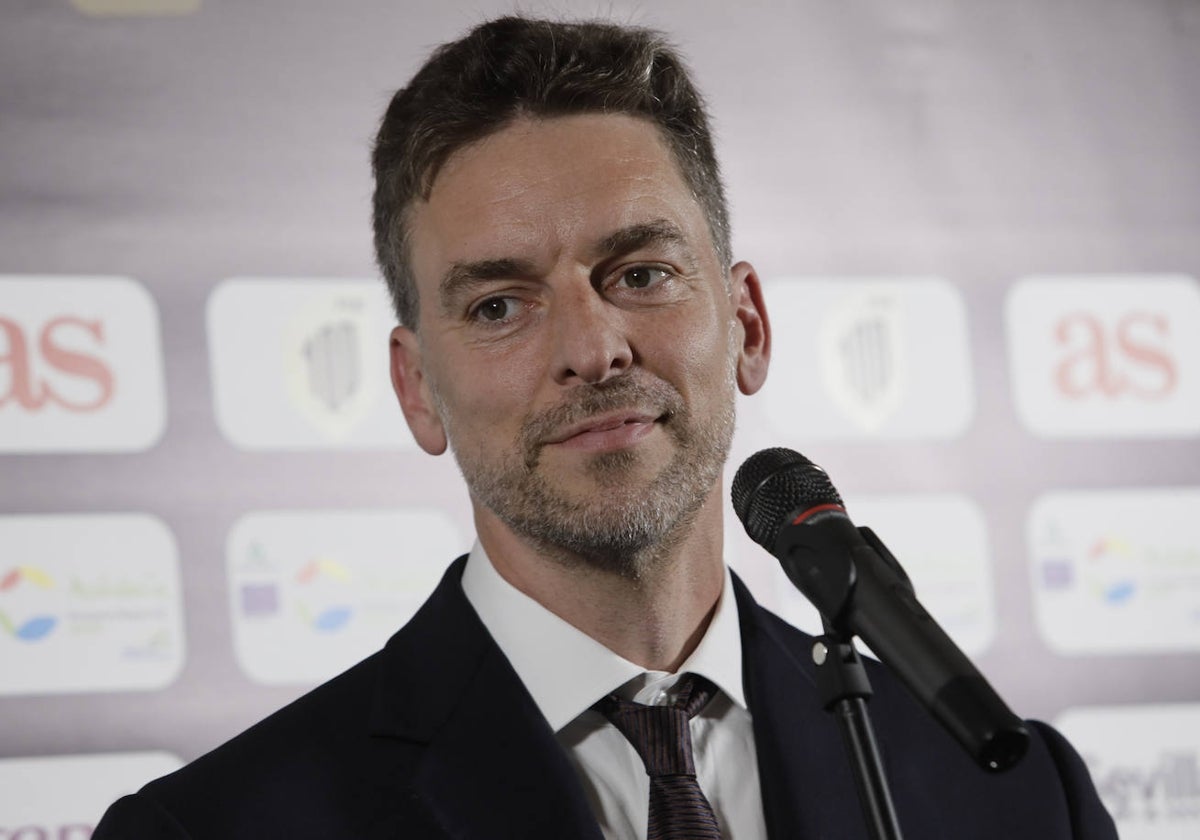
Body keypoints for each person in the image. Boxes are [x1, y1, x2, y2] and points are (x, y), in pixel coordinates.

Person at [95, 15, 1117, 839]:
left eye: (640, 274)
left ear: (748, 324)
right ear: (417, 390)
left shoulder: (1018, 798)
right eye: (500, 304)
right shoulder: (216, 826)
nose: (593, 347)